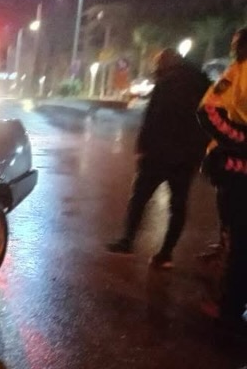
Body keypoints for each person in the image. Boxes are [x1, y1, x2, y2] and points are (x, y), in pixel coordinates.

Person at [105, 49, 211, 268]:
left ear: (164, 64)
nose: (155, 69)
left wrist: (143, 147)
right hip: (187, 155)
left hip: (159, 153)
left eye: (157, 64)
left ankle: (127, 241)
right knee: (178, 204)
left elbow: (153, 117)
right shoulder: (202, 82)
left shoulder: (167, 82)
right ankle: (166, 254)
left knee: (140, 198)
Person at [197, 26, 247, 332]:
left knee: (239, 239)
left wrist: (239, 141)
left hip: (239, 170)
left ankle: (229, 307)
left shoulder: (240, 71)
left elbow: (207, 111)